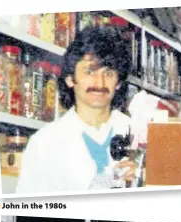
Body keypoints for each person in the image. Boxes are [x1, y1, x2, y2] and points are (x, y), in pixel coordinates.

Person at [16, 25, 137, 195]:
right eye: (90, 72)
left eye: (109, 73)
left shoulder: (138, 132)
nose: (100, 83)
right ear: (70, 79)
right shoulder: (44, 143)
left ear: (118, 83)